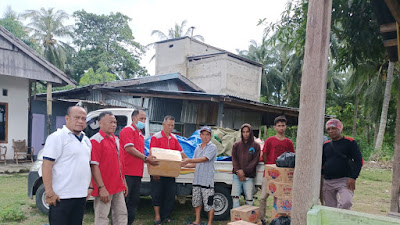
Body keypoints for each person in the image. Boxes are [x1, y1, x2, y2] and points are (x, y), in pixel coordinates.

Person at [42, 106, 92, 225]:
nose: (80, 121)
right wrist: (49, 193)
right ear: (67, 118)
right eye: (77, 117)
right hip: (61, 196)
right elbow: (47, 166)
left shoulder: (86, 140)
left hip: (80, 195)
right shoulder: (57, 137)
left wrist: (89, 187)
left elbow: (86, 164)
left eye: (83, 119)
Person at [120, 109, 159, 225]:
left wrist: (151, 164)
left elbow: (142, 154)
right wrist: (146, 159)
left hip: (137, 173)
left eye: (144, 119)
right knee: (123, 203)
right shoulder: (127, 131)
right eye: (141, 118)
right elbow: (129, 149)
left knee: (133, 202)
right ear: (133, 118)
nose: (143, 121)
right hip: (127, 172)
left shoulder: (140, 135)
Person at [90, 111, 128, 225]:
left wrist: (124, 182)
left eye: (115, 122)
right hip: (104, 187)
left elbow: (120, 164)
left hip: (118, 186)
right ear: (100, 123)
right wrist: (102, 188)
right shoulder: (96, 140)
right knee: (102, 217)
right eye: (110, 122)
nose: (113, 125)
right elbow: (94, 166)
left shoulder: (116, 140)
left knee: (121, 214)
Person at [150, 115, 188, 224]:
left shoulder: (174, 138)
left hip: (170, 172)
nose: (170, 127)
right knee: (157, 194)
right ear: (163, 125)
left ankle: (166, 216)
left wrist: (189, 160)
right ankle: (157, 217)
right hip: (158, 172)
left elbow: (180, 152)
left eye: (172, 125)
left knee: (169, 195)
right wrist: (155, 172)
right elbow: (152, 155)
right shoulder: (156, 137)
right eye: (168, 125)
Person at [259, 115, 294, 224]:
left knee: (281, 199)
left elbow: (292, 157)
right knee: (262, 197)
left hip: (283, 177)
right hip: (269, 174)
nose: (281, 128)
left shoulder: (289, 142)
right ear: (275, 127)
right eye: (279, 126)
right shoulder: (269, 140)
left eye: (283, 125)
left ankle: (282, 220)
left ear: (286, 127)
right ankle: (262, 219)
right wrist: (269, 167)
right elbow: (264, 155)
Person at [322, 118, 363, 209]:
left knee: (346, 203)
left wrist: (353, 177)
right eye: (328, 129)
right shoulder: (326, 145)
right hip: (328, 181)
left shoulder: (350, 142)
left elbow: (359, 161)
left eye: (333, 128)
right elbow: (322, 162)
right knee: (329, 207)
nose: (331, 131)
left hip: (344, 180)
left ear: (340, 128)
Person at [181, 126, 217, 225]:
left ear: (210, 136)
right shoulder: (197, 147)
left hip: (207, 181)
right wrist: (182, 165)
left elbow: (204, 159)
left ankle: (210, 223)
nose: (205, 137)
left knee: (209, 203)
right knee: (196, 202)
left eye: (207, 135)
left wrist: (188, 160)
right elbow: (193, 164)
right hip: (197, 180)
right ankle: (197, 221)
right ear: (200, 136)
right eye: (203, 134)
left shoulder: (212, 147)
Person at [231, 123, 261, 208]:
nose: (245, 134)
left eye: (247, 132)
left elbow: (255, 161)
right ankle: (236, 218)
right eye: (243, 132)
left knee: (249, 198)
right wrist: (238, 171)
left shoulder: (256, 145)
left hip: (249, 176)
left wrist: (244, 172)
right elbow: (234, 159)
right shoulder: (236, 145)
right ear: (241, 133)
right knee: (236, 197)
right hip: (237, 176)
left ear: (251, 132)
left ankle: (248, 217)